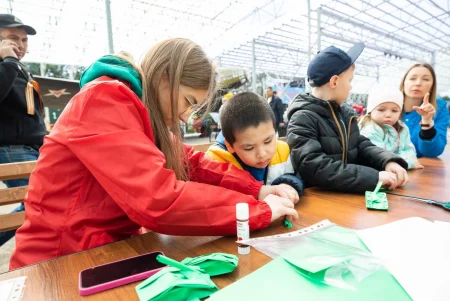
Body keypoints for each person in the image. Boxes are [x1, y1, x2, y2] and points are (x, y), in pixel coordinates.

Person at [10, 39, 299, 269]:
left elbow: (193, 164)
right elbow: (157, 199)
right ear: (164, 77)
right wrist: (255, 212)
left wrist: (258, 190)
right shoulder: (105, 101)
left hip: (107, 251)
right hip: (59, 263)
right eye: (188, 101)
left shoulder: (142, 114)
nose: (186, 117)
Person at [286, 42, 409, 193]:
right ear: (334, 81)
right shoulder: (302, 118)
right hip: (319, 199)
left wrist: (387, 161)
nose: (351, 87)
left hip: (347, 193)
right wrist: (373, 177)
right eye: (350, 80)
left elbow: (360, 145)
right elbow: (314, 167)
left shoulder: (345, 113)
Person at [0, 14, 45, 245]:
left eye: (24, 40)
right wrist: (8, 61)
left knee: (40, 201)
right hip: (11, 148)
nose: (20, 45)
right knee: (40, 200)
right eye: (12, 38)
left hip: (33, 146)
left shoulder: (17, 66)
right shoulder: (7, 65)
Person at [206, 92, 304, 195]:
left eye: (268, 141)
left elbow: (295, 175)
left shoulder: (282, 151)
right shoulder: (216, 162)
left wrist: (288, 184)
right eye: (249, 148)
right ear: (230, 146)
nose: (262, 154)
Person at [359, 86, 423, 170]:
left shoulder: (402, 128)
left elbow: (409, 149)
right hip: (377, 175)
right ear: (370, 110)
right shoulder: (369, 130)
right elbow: (380, 157)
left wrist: (408, 161)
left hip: (398, 171)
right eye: (381, 110)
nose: (388, 115)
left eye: (394, 111)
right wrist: (408, 162)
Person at [400, 63, 448, 157]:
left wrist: (427, 122)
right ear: (404, 82)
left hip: (416, 168)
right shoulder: (386, 104)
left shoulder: (439, 109)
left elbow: (433, 152)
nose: (418, 83)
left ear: (432, 86)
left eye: (425, 79)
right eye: (412, 78)